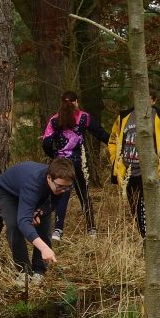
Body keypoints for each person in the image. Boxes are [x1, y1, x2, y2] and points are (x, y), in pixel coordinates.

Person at [108, 93, 160, 237]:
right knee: (134, 208)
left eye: (147, 99)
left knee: (144, 207)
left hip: (149, 172)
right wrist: (115, 160)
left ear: (153, 101)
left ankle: (149, 239)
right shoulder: (123, 117)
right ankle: (145, 237)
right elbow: (113, 140)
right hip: (128, 171)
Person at [0, 158, 76, 282]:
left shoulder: (64, 184)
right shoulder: (33, 184)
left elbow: (53, 204)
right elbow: (23, 222)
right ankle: (24, 271)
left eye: (67, 187)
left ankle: (39, 270)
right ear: (49, 178)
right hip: (10, 193)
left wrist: (39, 212)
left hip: (36, 196)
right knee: (14, 225)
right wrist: (44, 248)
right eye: (60, 186)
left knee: (44, 226)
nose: (63, 190)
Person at [41, 91, 107, 240]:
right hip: (79, 162)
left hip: (62, 163)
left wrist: (54, 155)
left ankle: (58, 230)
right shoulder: (84, 117)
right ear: (76, 102)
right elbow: (100, 133)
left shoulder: (54, 120)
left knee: (61, 193)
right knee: (84, 192)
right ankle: (91, 228)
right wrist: (115, 143)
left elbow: (46, 142)